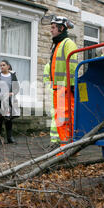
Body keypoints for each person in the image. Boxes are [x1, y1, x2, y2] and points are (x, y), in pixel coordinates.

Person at [49, 16, 78, 148]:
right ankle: (64, 149)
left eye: (53, 27)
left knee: (66, 119)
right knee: (61, 120)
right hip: (58, 88)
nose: (51, 30)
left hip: (64, 88)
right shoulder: (58, 45)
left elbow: (72, 66)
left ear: (61, 28)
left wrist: (70, 86)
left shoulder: (67, 43)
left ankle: (69, 149)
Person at [0, 59, 20, 144]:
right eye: (1, 65)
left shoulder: (13, 76)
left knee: (8, 119)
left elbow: (17, 88)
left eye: (3, 65)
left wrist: (12, 93)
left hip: (9, 100)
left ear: (8, 66)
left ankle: (10, 137)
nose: (2, 67)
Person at [43, 62, 60, 147]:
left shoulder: (48, 65)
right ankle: (55, 140)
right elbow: (47, 81)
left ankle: (56, 139)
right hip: (56, 92)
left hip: (56, 91)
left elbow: (46, 81)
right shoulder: (49, 65)